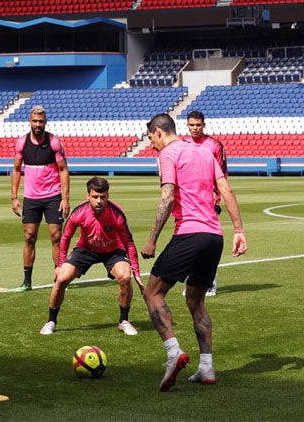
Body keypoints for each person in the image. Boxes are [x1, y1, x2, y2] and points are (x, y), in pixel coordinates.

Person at [141, 114, 247, 391]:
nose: (151, 144)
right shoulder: (204, 151)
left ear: (159, 132)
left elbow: (168, 197)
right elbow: (226, 189)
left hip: (190, 233)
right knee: (195, 300)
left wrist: (152, 240)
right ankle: (206, 367)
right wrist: (239, 230)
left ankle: (173, 352)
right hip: (214, 236)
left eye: (151, 138)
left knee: (152, 292)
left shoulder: (168, 154)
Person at [39, 176, 143, 336]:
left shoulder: (117, 215)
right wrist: (60, 265)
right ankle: (51, 321)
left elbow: (129, 243)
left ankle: (124, 321)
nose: (99, 201)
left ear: (108, 196)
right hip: (85, 249)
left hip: (112, 250)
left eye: (103, 197)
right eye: (95, 197)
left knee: (125, 278)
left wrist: (136, 273)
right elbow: (65, 237)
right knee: (61, 279)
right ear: (88, 196)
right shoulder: (79, 212)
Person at [11, 105, 70, 291]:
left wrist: (65, 198)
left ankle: (60, 277)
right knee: (29, 237)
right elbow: (16, 170)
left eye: (41, 121)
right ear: (30, 121)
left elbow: (63, 170)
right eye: (35, 121)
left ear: (45, 122)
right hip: (31, 198)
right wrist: (14, 197)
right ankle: (27, 282)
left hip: (53, 196)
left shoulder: (54, 142)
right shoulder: (21, 143)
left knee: (56, 236)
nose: (38, 124)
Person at [182, 110, 228, 297]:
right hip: (187, 203)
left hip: (207, 202)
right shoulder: (182, 144)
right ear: (187, 125)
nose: (195, 128)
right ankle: (193, 284)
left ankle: (209, 284)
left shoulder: (215, 145)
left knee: (207, 245)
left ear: (204, 125)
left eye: (198, 125)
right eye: (192, 125)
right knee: (190, 244)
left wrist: (217, 201)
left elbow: (222, 175)